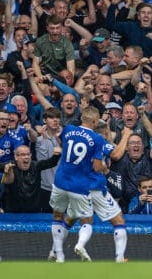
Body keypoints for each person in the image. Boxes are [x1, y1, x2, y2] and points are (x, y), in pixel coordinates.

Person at [49, 106, 111, 262]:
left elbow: (61, 140)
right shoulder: (97, 139)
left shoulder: (69, 129)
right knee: (87, 220)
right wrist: (103, 166)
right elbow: (97, 168)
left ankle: (59, 255)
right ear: (96, 121)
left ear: (82, 117)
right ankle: (80, 245)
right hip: (79, 185)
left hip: (60, 181)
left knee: (57, 216)